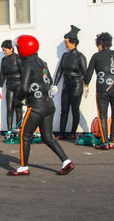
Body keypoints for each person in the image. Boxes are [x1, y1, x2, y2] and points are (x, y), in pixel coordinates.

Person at [8, 35, 74, 176]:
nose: (17, 49)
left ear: (24, 49)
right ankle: (66, 161)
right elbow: (49, 80)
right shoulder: (41, 62)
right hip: (48, 104)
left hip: (36, 107)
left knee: (24, 135)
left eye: (18, 47)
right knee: (48, 137)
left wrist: (18, 98)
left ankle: (23, 167)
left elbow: (24, 88)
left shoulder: (28, 64)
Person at [83, 32, 114, 150]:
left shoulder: (96, 56)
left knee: (102, 115)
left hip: (102, 88)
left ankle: (105, 142)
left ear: (100, 44)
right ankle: (113, 141)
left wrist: (86, 85)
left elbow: (89, 73)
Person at [52, 25, 87, 140]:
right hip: (66, 84)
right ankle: (61, 132)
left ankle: (73, 132)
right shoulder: (65, 56)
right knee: (64, 109)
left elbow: (85, 72)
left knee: (75, 109)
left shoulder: (80, 56)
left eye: (67, 42)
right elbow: (60, 71)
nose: (66, 45)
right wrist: (55, 84)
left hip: (77, 84)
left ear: (73, 43)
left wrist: (86, 85)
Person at [0, 39, 23, 133]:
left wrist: (25, 89)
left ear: (11, 49)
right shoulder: (4, 60)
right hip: (9, 85)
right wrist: (0, 87)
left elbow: (23, 73)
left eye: (5, 50)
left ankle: (18, 128)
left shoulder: (18, 58)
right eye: (3, 50)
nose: (4, 52)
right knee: (9, 108)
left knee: (18, 107)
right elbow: (2, 74)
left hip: (18, 85)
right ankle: (9, 130)